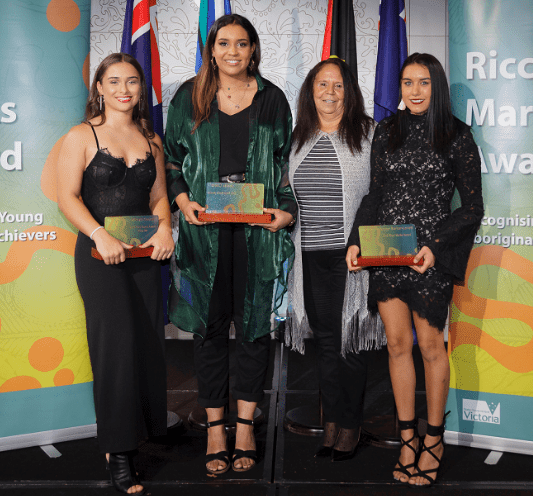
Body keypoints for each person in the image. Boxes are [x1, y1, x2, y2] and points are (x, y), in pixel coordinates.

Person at [163, 14, 295, 475]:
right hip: (205, 231)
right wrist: (183, 203)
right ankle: (215, 428)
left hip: (258, 231)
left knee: (255, 327)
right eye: (224, 43)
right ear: (212, 49)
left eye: (242, 43)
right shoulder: (189, 95)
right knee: (209, 328)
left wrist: (287, 210)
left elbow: (285, 166)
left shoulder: (273, 98)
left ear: (254, 49)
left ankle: (245, 426)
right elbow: (173, 160)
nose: (233, 52)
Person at [346, 53, 483, 486]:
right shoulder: (386, 131)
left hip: (429, 257)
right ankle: (408, 439)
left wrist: (435, 247)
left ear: (436, 86)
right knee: (397, 345)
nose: (415, 91)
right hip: (386, 253)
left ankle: (435, 439)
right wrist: (356, 240)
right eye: (407, 82)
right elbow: (374, 195)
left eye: (424, 82)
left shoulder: (457, 135)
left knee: (429, 347)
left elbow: (473, 207)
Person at [57, 53, 173, 495]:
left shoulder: (151, 138)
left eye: (132, 81)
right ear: (99, 88)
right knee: (115, 349)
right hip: (99, 257)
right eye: (114, 80)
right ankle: (118, 452)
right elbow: (68, 197)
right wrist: (97, 235)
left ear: (141, 90)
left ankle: (138, 435)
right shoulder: (80, 136)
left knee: (145, 344)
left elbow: (159, 196)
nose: (124, 88)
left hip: (145, 257)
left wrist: (165, 227)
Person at [285, 57, 379, 461]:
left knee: (349, 342)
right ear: (311, 91)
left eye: (338, 85)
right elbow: (287, 192)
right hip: (309, 256)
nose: (329, 92)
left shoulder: (368, 133)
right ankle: (332, 423)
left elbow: (378, 195)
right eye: (322, 85)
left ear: (349, 92)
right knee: (325, 342)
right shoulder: (299, 137)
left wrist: (359, 241)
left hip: (351, 257)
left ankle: (351, 425)